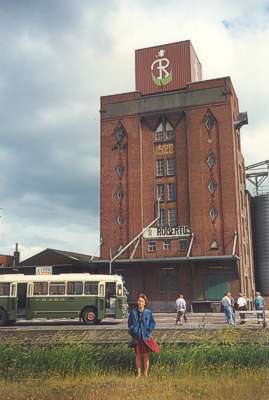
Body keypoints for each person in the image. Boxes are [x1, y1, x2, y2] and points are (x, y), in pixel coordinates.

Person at [128, 293, 156, 378]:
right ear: (137, 302)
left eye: (142, 301)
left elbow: (153, 323)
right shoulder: (133, 312)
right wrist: (134, 330)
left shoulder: (148, 312)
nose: (140, 303)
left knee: (146, 356)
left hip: (146, 337)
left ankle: (146, 374)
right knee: (138, 356)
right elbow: (130, 324)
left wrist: (148, 330)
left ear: (145, 303)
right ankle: (139, 374)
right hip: (137, 337)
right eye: (139, 301)